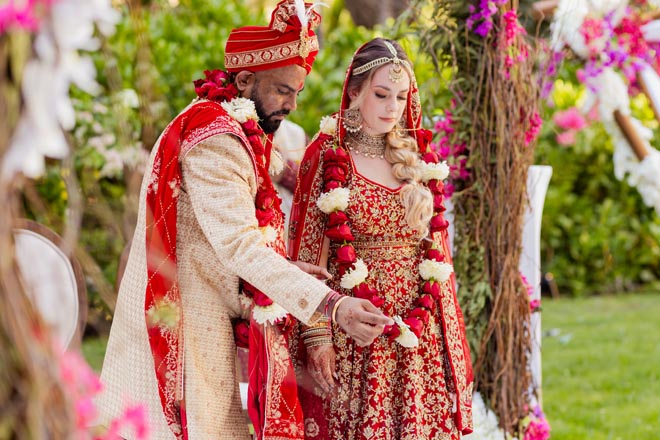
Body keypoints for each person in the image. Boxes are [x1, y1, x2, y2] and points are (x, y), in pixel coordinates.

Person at [95, 3, 392, 439]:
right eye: (282, 91)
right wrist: (333, 305)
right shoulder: (215, 140)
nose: (291, 105)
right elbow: (240, 247)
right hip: (183, 327)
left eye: (296, 93)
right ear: (245, 80)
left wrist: (287, 270)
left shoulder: (227, 127)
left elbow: (217, 237)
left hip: (198, 317)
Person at [288, 38, 474, 439]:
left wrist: (447, 340)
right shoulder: (327, 155)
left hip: (418, 331)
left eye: (402, 96)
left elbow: (438, 256)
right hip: (356, 326)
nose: (394, 107)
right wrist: (318, 337)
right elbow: (305, 254)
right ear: (354, 93)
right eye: (382, 94)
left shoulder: (417, 157)